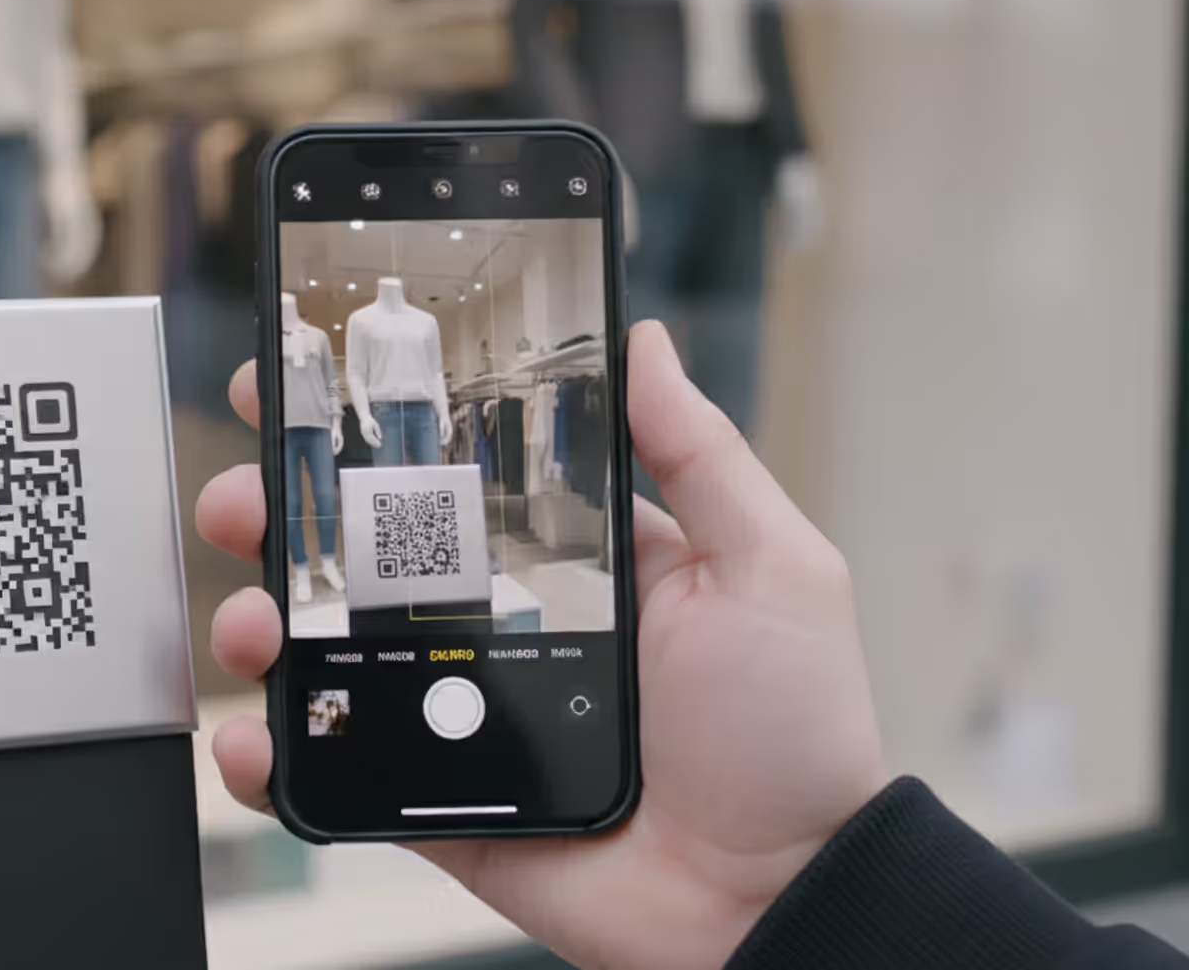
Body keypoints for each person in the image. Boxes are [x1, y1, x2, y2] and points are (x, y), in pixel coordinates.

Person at [193, 321, 1186, 970]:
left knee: (400, 518)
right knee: (347, 521)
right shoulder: (348, 336)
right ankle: (342, 579)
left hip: (410, 417)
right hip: (361, 417)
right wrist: (813, 880)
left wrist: (796, 880)